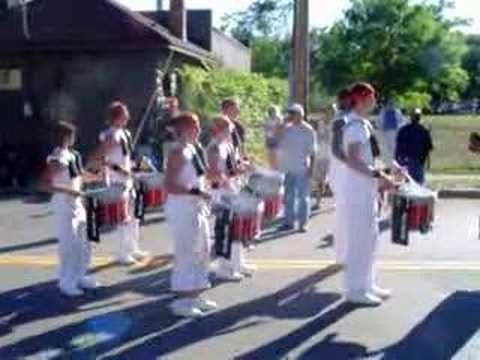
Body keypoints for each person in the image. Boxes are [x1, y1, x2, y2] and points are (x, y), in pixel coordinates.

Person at [342, 83, 397, 305]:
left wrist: (392, 169)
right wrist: (379, 176)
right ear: (363, 99)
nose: (375, 102)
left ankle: (367, 283)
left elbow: (372, 156)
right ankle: (355, 289)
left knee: (371, 238)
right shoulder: (355, 127)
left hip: (367, 189)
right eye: (373, 98)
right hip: (357, 191)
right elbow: (354, 161)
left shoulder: (363, 124)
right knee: (359, 241)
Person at [164, 112, 217, 318]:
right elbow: (170, 185)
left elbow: (202, 176)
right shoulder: (177, 152)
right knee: (186, 252)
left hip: (197, 206)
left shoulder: (193, 149)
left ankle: (195, 295)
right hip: (181, 207)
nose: (199, 129)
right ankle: (181, 301)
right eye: (194, 125)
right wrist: (197, 192)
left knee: (203, 249)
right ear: (184, 129)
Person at [40, 122, 100, 297]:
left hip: (77, 202)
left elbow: (80, 175)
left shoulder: (74, 155)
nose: (74, 138)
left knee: (84, 242)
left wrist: (97, 176)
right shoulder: (56, 158)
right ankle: (66, 281)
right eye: (72, 135)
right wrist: (68, 191)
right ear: (65, 136)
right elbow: (44, 184)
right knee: (69, 244)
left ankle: (80, 275)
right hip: (63, 203)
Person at [94, 101, 149, 265]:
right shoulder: (109, 135)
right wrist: (119, 170)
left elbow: (127, 157)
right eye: (125, 113)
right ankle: (121, 252)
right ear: (117, 116)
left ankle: (133, 247)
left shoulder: (126, 134)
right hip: (117, 180)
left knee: (134, 216)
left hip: (129, 179)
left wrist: (134, 166)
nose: (128, 116)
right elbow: (105, 160)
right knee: (121, 217)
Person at [207, 115, 255, 281]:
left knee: (236, 230)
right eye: (228, 128)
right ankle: (224, 268)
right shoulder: (214, 148)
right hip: (222, 194)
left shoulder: (226, 145)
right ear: (219, 129)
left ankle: (237, 262)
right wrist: (237, 173)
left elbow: (232, 167)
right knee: (225, 230)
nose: (231, 131)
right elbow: (215, 174)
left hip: (233, 190)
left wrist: (243, 166)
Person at [277, 104, 317, 233]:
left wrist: (312, 167)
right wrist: (282, 124)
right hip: (289, 167)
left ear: (301, 114)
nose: (291, 116)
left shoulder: (308, 130)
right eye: (290, 113)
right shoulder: (287, 129)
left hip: (302, 167)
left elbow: (313, 151)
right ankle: (288, 222)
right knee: (288, 196)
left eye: (293, 113)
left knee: (303, 197)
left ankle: (303, 223)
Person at [328, 88, 352, 265]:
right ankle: (341, 255)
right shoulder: (340, 120)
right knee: (343, 214)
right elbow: (337, 150)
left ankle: (344, 253)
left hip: (344, 172)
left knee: (345, 214)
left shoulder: (346, 119)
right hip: (342, 173)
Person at [395, 108, 433, 184]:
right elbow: (429, 148)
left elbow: (397, 147)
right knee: (418, 185)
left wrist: (397, 160)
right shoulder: (424, 131)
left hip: (406, 162)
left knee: (407, 185)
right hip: (416, 162)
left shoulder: (403, 130)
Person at [379, 100, 404, 169]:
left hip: (394, 131)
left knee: (393, 148)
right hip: (386, 132)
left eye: (391, 104)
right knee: (387, 149)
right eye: (389, 104)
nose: (390, 105)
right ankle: (389, 165)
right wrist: (381, 130)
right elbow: (380, 121)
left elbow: (401, 121)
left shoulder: (396, 111)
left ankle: (394, 164)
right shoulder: (383, 111)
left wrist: (399, 130)